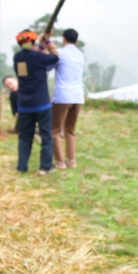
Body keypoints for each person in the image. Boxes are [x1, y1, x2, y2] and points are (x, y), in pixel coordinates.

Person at [13, 30, 59, 175]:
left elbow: (33, 56)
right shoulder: (38, 57)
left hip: (24, 105)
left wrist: (41, 44)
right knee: (46, 135)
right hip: (41, 103)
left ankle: (22, 166)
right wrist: (49, 43)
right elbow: (55, 58)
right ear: (32, 42)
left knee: (25, 137)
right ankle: (45, 167)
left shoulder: (17, 57)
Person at [52, 28, 86, 169]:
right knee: (70, 130)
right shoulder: (80, 55)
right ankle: (71, 160)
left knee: (55, 131)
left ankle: (60, 162)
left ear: (63, 39)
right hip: (78, 96)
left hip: (62, 96)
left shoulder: (61, 53)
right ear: (76, 41)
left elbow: (51, 60)